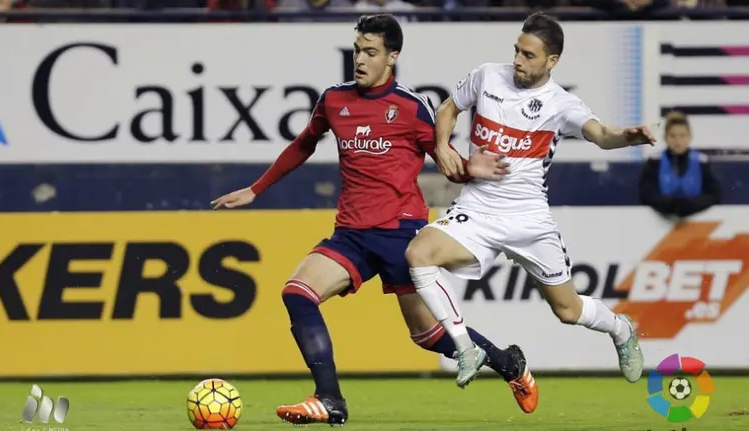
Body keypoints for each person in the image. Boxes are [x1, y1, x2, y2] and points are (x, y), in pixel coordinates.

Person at [211, 14, 539, 425]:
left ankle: (508, 363)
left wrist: (472, 168)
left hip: (401, 235)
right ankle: (330, 399)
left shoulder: (411, 108)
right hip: (351, 234)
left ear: (392, 57)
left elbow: (446, 160)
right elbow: (303, 144)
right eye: (357, 51)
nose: (360, 60)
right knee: (297, 293)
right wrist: (256, 189)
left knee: (428, 336)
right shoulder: (334, 100)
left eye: (370, 52)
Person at [405, 12, 653, 391]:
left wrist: (628, 137)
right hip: (478, 209)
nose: (518, 60)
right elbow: (449, 109)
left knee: (568, 310)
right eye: (517, 50)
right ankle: (466, 347)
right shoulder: (487, 76)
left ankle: (621, 329)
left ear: (552, 61)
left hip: (529, 220)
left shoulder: (561, 104)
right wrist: (441, 147)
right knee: (418, 254)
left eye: (529, 55)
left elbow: (602, 134)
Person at [639, 111, 721, 218]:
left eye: (682, 135)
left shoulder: (701, 161)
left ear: (690, 137)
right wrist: (671, 206)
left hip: (696, 220)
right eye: (672, 136)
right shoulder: (654, 162)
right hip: (660, 220)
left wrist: (690, 206)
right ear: (665, 138)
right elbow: (647, 195)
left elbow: (714, 195)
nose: (678, 141)